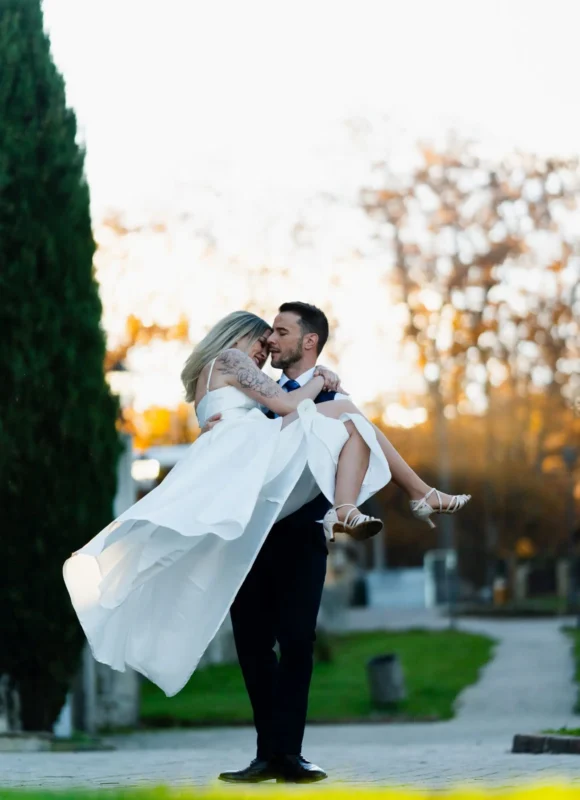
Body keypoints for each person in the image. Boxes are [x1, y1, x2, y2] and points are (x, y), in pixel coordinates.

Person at [63, 308, 396, 717]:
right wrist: (321, 379)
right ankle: (368, 501)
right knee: (346, 418)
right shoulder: (232, 360)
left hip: (235, 468)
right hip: (251, 472)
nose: (264, 353)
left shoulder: (210, 371)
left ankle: (368, 500)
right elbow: (288, 403)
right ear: (241, 336)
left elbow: (243, 412)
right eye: (261, 343)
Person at [201, 302, 470, 784]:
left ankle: (290, 754)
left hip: (302, 531)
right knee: (253, 644)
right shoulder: (258, 385)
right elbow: (242, 427)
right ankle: (267, 754)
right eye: (266, 337)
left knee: (299, 641)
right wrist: (318, 386)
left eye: (279, 334)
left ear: (308, 341)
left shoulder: (318, 395)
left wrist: (323, 389)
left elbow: (339, 445)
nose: (270, 344)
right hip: (249, 530)